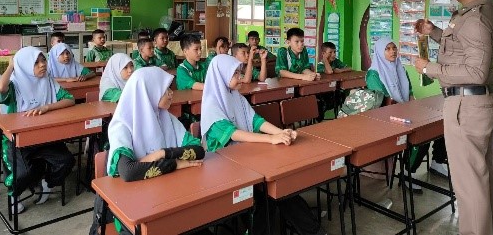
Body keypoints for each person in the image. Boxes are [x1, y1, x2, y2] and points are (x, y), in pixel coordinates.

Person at [414, 0, 493, 235]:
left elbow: (475, 71)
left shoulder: (475, 18)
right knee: (482, 179)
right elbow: (462, 47)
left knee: (470, 186)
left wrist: (429, 68)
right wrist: (433, 32)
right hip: (478, 103)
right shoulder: (480, 13)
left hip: (467, 106)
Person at [201, 55, 326, 235]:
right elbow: (232, 133)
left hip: (246, 157)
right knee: (271, 194)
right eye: (235, 74)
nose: (240, 77)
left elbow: (255, 121)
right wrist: (270, 139)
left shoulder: (235, 96)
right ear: (221, 75)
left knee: (279, 187)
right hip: (224, 168)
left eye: (239, 72)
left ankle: (312, 231)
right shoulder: (212, 104)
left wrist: (281, 132)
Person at [91, 66, 204, 235]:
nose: (171, 93)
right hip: (133, 206)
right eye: (166, 89)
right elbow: (128, 172)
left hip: (169, 193)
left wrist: (164, 153)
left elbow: (198, 150)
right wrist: (173, 163)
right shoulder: (122, 126)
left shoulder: (167, 118)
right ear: (149, 92)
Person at [0, 47, 75, 212]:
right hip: (17, 140)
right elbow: (0, 88)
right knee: (23, 174)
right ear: (23, 65)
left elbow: (70, 99)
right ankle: (14, 195)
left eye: (43, 60)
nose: (42, 65)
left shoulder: (48, 80)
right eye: (36, 62)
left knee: (66, 161)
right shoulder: (14, 85)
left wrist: (46, 107)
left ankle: (47, 183)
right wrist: (12, 65)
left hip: (44, 136)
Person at [367, 37, 447, 192]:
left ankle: (437, 162)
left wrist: (414, 109)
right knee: (421, 132)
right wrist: (408, 112)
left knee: (440, 123)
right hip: (384, 117)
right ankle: (408, 172)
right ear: (379, 52)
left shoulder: (401, 68)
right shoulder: (373, 74)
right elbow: (382, 101)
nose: (392, 51)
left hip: (403, 112)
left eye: (394, 48)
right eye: (387, 49)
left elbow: (409, 94)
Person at [316, 42, 351, 120]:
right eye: (330, 52)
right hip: (323, 91)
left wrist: (340, 70)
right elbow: (329, 71)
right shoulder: (320, 65)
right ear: (323, 53)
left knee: (343, 94)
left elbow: (349, 68)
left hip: (334, 89)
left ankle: (343, 113)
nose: (333, 54)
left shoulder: (336, 61)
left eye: (334, 52)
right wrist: (325, 59)